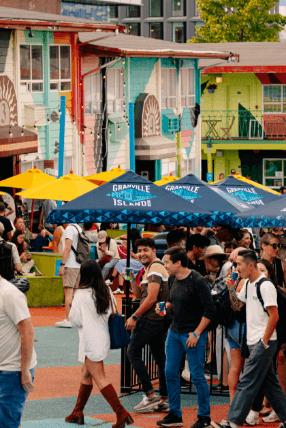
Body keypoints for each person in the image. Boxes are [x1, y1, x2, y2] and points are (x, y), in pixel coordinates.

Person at [213, 249, 286, 428]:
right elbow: (237, 306)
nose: (235, 268)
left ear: (250, 264)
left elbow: (274, 316)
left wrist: (264, 341)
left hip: (263, 342)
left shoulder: (265, 285)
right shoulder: (248, 284)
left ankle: (233, 422)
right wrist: (231, 289)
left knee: (246, 381)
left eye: (238, 264)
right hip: (255, 341)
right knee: (270, 385)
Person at [66, 260, 133, 427]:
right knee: (86, 374)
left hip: (89, 340)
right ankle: (78, 411)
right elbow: (113, 312)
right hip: (102, 337)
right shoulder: (106, 291)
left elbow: (74, 320)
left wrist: (71, 306)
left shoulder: (81, 294)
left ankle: (121, 412)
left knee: (100, 377)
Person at [156, 247, 215, 428]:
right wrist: (165, 308)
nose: (164, 265)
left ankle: (204, 417)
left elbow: (209, 309)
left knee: (197, 375)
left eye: (166, 262)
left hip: (192, 333)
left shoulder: (197, 280)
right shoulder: (173, 278)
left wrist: (197, 333)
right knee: (170, 372)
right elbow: (174, 302)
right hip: (175, 332)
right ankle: (175, 414)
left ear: (178, 263)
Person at [126, 237, 169, 412]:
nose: (142, 253)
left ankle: (150, 395)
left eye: (146, 250)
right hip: (157, 319)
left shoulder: (156, 268)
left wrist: (134, 316)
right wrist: (129, 277)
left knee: (133, 352)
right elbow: (139, 295)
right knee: (160, 357)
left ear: (153, 251)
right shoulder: (149, 269)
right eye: (140, 250)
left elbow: (151, 297)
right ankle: (163, 398)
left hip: (151, 318)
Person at [0, 271, 37, 428]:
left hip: (12, 370)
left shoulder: (9, 294)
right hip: (5, 366)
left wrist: (25, 369)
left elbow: (28, 331)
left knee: (7, 422)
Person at [57, 223, 82, 328]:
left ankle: (68, 319)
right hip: (79, 264)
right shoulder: (79, 228)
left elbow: (67, 248)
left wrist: (62, 264)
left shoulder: (69, 229)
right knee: (75, 293)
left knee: (68, 292)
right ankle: (75, 318)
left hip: (70, 264)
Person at [110, 228, 143, 294]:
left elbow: (137, 256)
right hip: (134, 262)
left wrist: (128, 249)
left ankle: (111, 279)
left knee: (119, 262)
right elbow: (132, 257)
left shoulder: (139, 243)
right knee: (121, 271)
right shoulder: (134, 242)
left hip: (139, 263)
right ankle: (120, 288)